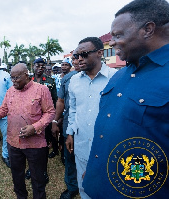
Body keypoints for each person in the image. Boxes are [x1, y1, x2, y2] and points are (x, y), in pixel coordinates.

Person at [83, 0, 169, 198]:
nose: (111, 43)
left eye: (118, 35)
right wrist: (96, 171)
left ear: (148, 29)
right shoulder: (121, 74)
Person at [0, 63, 55, 199]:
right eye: (12, 78)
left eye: (17, 78)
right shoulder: (10, 91)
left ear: (26, 75)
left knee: (38, 179)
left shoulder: (41, 90)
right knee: (17, 177)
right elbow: (3, 110)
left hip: (35, 144)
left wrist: (35, 127)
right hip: (13, 142)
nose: (14, 81)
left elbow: (50, 112)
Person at [65, 37, 117, 199]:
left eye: (84, 54)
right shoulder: (74, 81)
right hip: (81, 143)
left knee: (108, 186)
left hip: (107, 146)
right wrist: (70, 133)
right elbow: (73, 110)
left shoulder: (116, 78)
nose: (79, 59)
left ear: (100, 53)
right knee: (85, 185)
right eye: (76, 55)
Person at [51, 55, 80, 199]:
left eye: (82, 56)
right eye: (75, 58)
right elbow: (60, 101)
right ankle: (72, 187)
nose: (78, 60)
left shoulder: (108, 77)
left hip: (93, 127)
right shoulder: (68, 79)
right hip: (70, 124)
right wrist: (56, 121)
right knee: (70, 158)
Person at [25, 57, 57, 183]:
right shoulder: (27, 80)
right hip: (30, 119)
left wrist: (53, 120)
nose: (40, 68)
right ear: (33, 66)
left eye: (42, 66)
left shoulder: (50, 81)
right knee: (29, 145)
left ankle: (43, 170)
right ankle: (30, 169)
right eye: (37, 66)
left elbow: (54, 101)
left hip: (45, 120)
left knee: (44, 146)